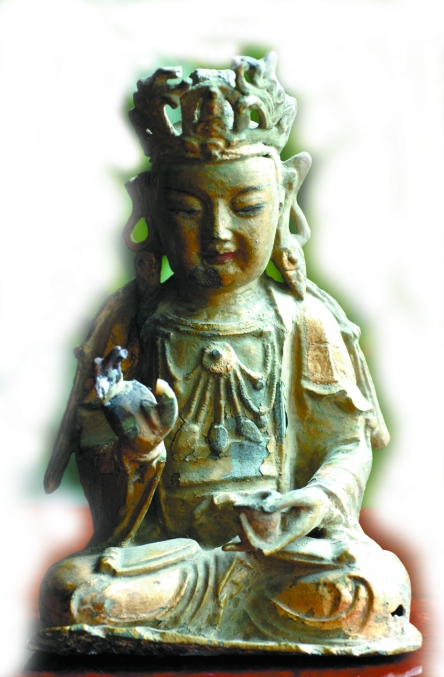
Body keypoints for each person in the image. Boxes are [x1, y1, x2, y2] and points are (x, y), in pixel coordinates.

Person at [36, 52, 421, 655]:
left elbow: (346, 443)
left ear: (285, 197)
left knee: (369, 588)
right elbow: (99, 477)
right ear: (150, 206)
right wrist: (137, 448)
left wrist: (315, 500)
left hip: (277, 558)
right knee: (73, 591)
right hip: (168, 560)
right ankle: (214, 614)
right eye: (187, 211)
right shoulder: (133, 324)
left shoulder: (304, 321)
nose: (216, 233)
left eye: (246, 208)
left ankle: (224, 612)